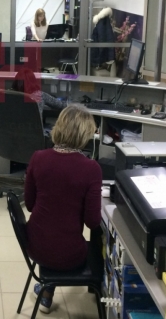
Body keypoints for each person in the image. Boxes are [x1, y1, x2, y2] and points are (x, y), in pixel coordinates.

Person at [24, 105, 102, 313]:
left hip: (34, 246)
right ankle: (105, 296)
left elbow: (30, 205)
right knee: (95, 247)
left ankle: (46, 293)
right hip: (69, 255)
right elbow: (92, 222)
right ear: (85, 134)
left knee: (54, 236)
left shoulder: (38, 158)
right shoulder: (91, 169)